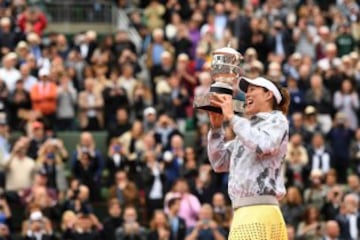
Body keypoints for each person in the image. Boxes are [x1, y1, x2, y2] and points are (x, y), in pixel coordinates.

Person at [207, 76, 290, 239]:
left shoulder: (277, 120)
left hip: (259, 209)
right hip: (244, 212)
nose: (247, 95)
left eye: (252, 90)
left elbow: (264, 144)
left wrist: (232, 117)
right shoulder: (245, 131)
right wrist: (216, 128)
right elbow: (219, 163)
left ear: (268, 95)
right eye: (246, 91)